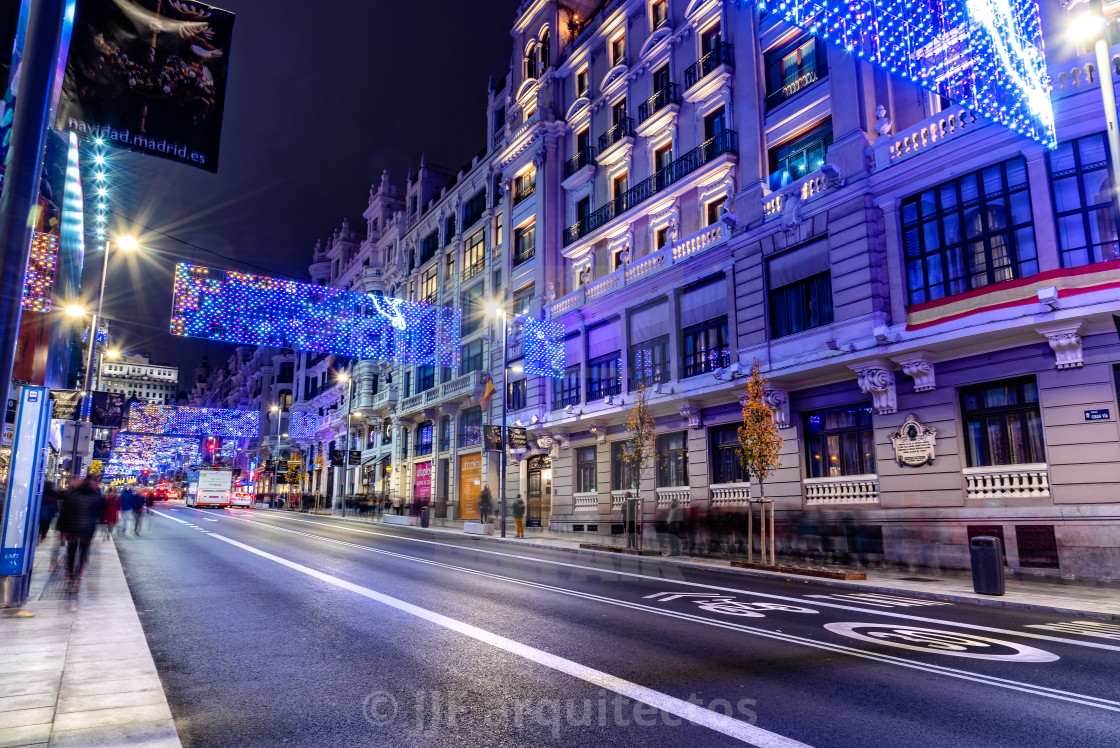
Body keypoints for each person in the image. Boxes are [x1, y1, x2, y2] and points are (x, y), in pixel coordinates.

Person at [56, 476, 105, 589]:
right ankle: (80, 570)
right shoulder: (96, 498)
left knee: (71, 551)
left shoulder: (71, 497)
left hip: (72, 529)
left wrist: (62, 531)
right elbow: (100, 513)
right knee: (84, 550)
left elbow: (63, 515)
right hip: (87, 529)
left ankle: (69, 572)